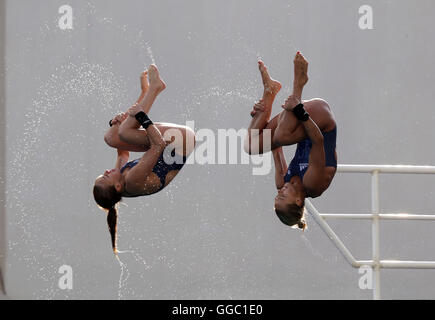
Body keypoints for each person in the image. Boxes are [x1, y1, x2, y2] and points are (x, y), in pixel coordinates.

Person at [93, 65, 195, 253]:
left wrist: (120, 120)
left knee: (112, 137)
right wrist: (140, 116)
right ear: (116, 187)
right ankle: (155, 89)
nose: (107, 171)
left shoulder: (121, 180)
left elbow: (122, 152)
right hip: (181, 141)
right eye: (106, 176)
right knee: (123, 131)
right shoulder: (132, 180)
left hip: (168, 144)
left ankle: (149, 91)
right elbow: (157, 145)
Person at [244, 52, 337, 230]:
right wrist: (299, 109)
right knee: (282, 136)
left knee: (251, 146)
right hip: (320, 120)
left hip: (296, 123)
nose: (279, 191)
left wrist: (259, 117)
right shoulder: (313, 184)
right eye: (282, 196)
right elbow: (317, 141)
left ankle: (269, 91)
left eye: (276, 196)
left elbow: (275, 146)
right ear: (298, 200)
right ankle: (298, 85)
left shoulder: (282, 182)